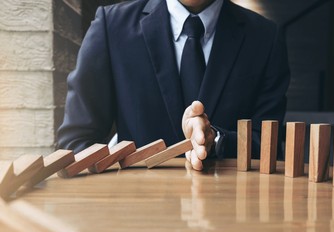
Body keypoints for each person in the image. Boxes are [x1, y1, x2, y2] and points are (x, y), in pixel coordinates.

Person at [57, 0, 290, 170]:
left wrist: (215, 140)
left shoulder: (265, 37)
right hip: (137, 220)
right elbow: (76, 143)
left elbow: (269, 146)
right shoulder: (112, 27)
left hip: (227, 219)